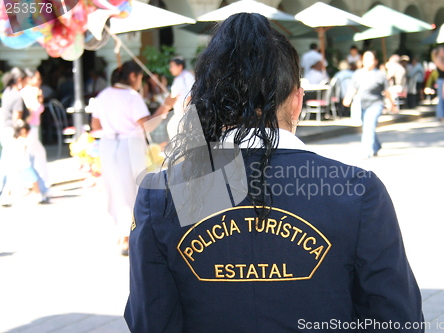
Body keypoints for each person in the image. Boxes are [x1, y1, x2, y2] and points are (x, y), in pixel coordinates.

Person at [125, 13, 423, 332]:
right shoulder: (358, 191)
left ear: (204, 102)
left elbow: (150, 320)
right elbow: (397, 318)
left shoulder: (162, 194)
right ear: (297, 101)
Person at [91, 61, 172, 255]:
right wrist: (165, 107)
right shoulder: (131, 96)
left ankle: (123, 234)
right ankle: (128, 236)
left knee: (115, 188)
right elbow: (147, 126)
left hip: (109, 145)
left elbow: (95, 125)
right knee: (132, 189)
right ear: (133, 76)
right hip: (128, 145)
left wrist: (114, 129)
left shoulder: (103, 95)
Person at [343, 50, 396, 159]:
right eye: (366, 59)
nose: (368, 62)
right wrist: (347, 98)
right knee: (367, 127)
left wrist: (392, 104)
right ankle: (376, 146)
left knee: (369, 127)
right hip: (362, 105)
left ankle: (366, 151)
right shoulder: (358, 74)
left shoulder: (380, 75)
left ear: (375, 61)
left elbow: (386, 91)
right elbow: (353, 88)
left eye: (371, 59)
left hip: (375, 104)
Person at [0, 67, 28, 206]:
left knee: (5, 162)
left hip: (4, 129)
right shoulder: (16, 96)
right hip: (12, 131)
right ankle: (6, 193)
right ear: (19, 79)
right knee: (14, 164)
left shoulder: (6, 92)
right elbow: (17, 119)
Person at [20, 68, 50, 190]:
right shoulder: (29, 92)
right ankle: (39, 183)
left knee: (35, 155)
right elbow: (32, 110)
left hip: (32, 126)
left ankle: (37, 182)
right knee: (32, 156)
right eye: (37, 78)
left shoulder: (32, 91)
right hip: (29, 127)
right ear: (29, 79)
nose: (40, 81)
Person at [163, 56, 195, 141]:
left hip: (186, 112)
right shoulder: (177, 79)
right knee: (173, 129)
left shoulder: (187, 76)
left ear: (180, 66)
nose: (171, 69)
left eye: (172, 66)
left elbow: (192, 92)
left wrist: (186, 104)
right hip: (178, 112)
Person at [431, 46, 444, 123]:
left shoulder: (442, 58)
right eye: (443, 50)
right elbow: (443, 68)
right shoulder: (438, 59)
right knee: (442, 98)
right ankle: (441, 116)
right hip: (441, 80)